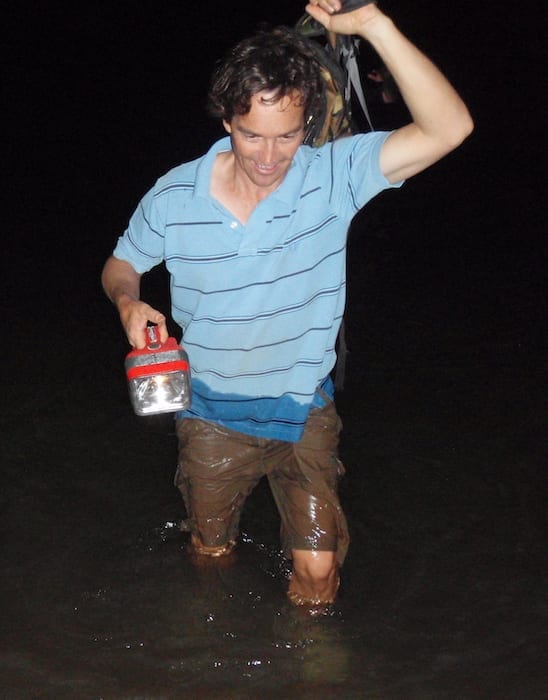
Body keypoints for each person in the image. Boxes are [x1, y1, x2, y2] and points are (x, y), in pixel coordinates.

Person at [102, 0, 473, 613]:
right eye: (253, 135)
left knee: (320, 573)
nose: (271, 157)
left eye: (288, 135)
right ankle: (199, 637)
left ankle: (310, 669)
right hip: (210, 415)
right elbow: (123, 265)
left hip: (305, 410)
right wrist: (126, 303)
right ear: (226, 119)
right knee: (210, 551)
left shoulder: (336, 176)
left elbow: (449, 128)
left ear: (309, 124)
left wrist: (375, 25)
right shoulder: (173, 195)